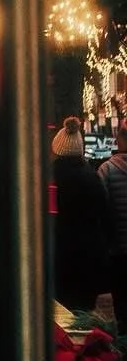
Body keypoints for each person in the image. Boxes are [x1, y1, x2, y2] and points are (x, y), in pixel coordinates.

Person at [51, 116, 109, 313]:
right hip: (90, 255)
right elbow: (104, 214)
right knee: (83, 309)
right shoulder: (92, 177)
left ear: (57, 148)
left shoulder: (48, 176)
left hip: (58, 253)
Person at [98, 123, 127, 333]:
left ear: (120, 141)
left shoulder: (106, 170)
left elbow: (101, 210)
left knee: (122, 303)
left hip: (118, 251)